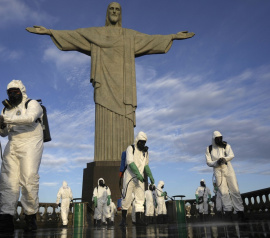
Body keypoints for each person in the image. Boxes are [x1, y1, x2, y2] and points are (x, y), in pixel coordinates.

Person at [26, 2, 195, 162]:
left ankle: (126, 160)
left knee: (125, 125)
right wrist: (50, 32)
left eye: (118, 10)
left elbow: (150, 40)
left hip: (124, 89)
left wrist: (173, 36)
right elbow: (74, 36)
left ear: (121, 14)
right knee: (104, 121)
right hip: (104, 86)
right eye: (111, 9)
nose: (114, 12)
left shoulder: (129, 35)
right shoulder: (96, 34)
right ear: (107, 13)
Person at [0, 80, 44, 233]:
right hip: (13, 143)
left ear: (22, 91)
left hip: (31, 142)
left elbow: (30, 118)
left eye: (15, 91)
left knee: (28, 178)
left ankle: (30, 215)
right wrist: (1, 126)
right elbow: (4, 133)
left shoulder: (32, 104)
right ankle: (6, 217)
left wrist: (5, 119)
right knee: (7, 181)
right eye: (10, 92)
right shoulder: (6, 110)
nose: (12, 94)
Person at [205, 131, 245, 221]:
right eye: (217, 139)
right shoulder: (209, 149)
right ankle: (228, 212)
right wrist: (216, 162)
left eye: (220, 138)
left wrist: (224, 159)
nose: (219, 140)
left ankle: (240, 212)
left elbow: (231, 155)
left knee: (235, 190)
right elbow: (208, 162)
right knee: (223, 192)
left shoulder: (226, 145)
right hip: (218, 171)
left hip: (228, 168)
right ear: (213, 139)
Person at [119, 131, 155, 226]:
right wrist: (138, 174)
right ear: (137, 140)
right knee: (126, 198)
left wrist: (150, 175)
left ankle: (138, 220)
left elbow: (146, 165)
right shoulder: (130, 148)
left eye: (144, 142)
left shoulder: (145, 153)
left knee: (140, 198)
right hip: (129, 177)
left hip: (140, 179)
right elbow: (130, 162)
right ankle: (123, 220)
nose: (142, 144)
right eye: (141, 142)